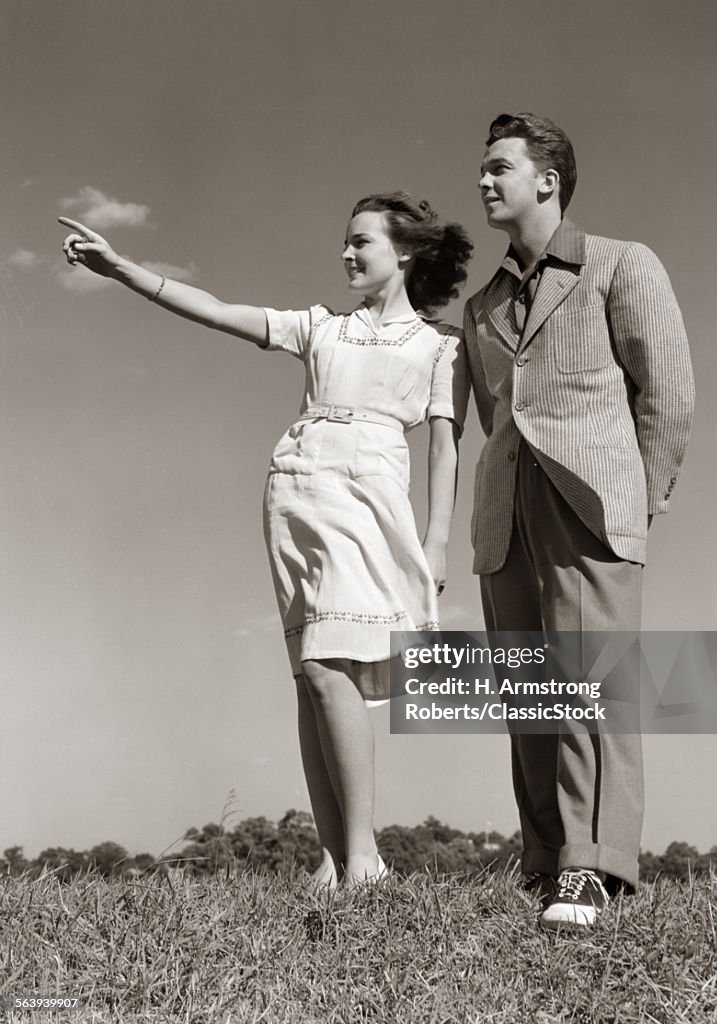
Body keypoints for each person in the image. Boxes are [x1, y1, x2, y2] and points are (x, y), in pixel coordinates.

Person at [59, 192, 472, 889]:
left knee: (330, 664)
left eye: (361, 242)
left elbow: (446, 448)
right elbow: (219, 311)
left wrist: (435, 544)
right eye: (345, 241)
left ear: (405, 251)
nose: (346, 252)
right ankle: (335, 855)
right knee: (310, 673)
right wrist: (124, 269)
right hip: (296, 488)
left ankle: (365, 855)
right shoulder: (319, 327)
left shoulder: (441, 348)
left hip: (370, 491)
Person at [464, 113, 694, 927]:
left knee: (591, 687)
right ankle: (545, 864)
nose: (485, 181)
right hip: (507, 516)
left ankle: (594, 869)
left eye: (500, 167)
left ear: (547, 180)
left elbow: (666, 394)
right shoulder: (481, 304)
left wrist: (638, 501)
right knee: (529, 694)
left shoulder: (622, 265)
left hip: (591, 506)